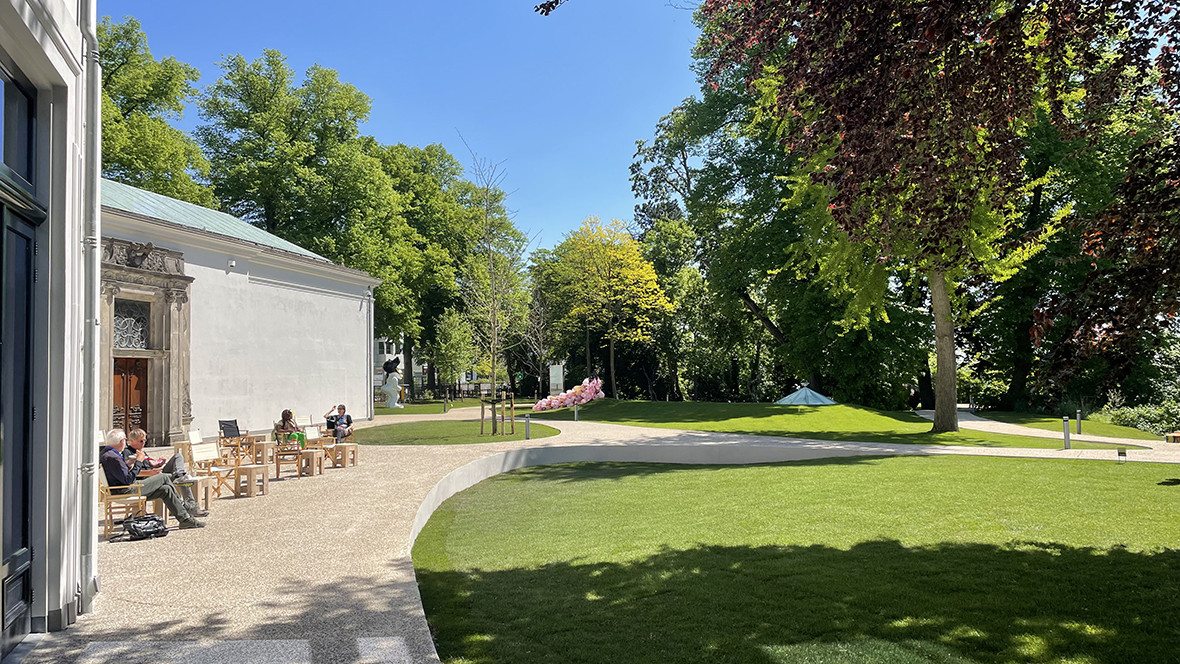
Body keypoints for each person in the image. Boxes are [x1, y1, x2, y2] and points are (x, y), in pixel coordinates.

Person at [100, 428, 206, 528]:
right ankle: (184, 505)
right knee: (164, 477)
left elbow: (120, 473)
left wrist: (129, 463)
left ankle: (185, 520)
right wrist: (139, 462)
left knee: (166, 490)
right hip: (126, 490)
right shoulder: (113, 457)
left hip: (121, 488)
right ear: (122, 441)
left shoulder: (107, 454)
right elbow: (128, 480)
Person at [121, 428, 204, 510]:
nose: (143, 443)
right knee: (183, 479)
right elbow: (130, 472)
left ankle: (179, 475)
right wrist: (150, 472)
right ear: (131, 441)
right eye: (141, 441)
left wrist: (157, 464)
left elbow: (151, 464)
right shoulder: (127, 453)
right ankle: (190, 507)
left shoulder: (141, 451)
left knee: (178, 457)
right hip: (147, 479)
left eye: (145, 441)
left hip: (155, 474)